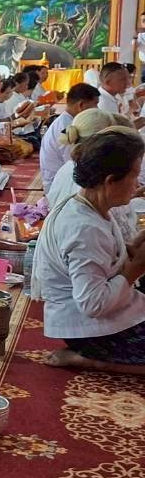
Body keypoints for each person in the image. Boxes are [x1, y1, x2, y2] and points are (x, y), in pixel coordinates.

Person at [36, 130, 145, 375]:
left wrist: (135, 246)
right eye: (134, 175)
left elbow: (108, 260)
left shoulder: (91, 207)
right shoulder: (84, 228)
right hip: (91, 329)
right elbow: (93, 305)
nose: (138, 185)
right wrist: (136, 268)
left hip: (106, 311)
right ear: (110, 180)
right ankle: (93, 361)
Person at [41, 82, 100, 191]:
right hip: (57, 186)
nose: (97, 109)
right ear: (81, 105)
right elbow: (72, 165)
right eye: (95, 104)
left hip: (62, 179)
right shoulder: (67, 127)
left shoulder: (69, 121)